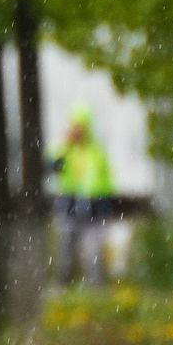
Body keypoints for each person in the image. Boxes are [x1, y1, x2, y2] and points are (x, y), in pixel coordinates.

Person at [54, 102, 118, 285]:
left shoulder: (97, 151)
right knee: (66, 254)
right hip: (70, 206)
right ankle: (64, 289)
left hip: (96, 208)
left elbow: (107, 181)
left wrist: (108, 206)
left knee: (93, 254)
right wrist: (66, 145)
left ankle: (94, 293)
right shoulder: (64, 149)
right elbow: (54, 166)